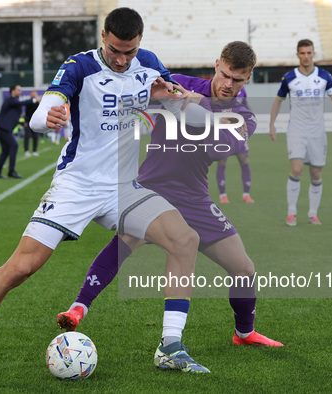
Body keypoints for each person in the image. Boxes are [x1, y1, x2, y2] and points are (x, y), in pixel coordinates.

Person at [0, 7, 218, 378]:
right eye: (115, 49)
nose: (122, 58)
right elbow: (41, 113)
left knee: (184, 239)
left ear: (140, 42)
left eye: (129, 51)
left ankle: (170, 346)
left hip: (123, 187)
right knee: (21, 267)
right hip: (76, 185)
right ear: (103, 36)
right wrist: (47, 116)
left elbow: (195, 120)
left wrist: (178, 101)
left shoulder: (149, 64)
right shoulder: (79, 66)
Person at [57, 41, 283, 354]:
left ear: (248, 79)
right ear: (217, 64)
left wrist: (193, 103)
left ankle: (245, 332)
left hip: (194, 198)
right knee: (124, 243)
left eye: (239, 80)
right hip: (152, 186)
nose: (230, 84)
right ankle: (78, 308)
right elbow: (140, 93)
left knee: (244, 269)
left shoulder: (244, 116)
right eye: (227, 75)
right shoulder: (178, 81)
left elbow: (219, 143)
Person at [269, 39, 332, 226]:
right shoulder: (289, 77)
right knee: (296, 169)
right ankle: (291, 212)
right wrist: (272, 124)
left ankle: (313, 214)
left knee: (315, 174)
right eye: (302, 53)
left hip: (317, 131)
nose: (306, 56)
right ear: (297, 54)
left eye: (309, 53)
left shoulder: (324, 76)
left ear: (314, 54)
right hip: (296, 130)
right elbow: (278, 101)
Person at [216, 87, 255, 203]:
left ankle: (246, 194)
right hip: (223, 132)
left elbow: (246, 107)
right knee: (222, 162)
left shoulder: (242, 90)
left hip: (239, 132)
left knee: (244, 160)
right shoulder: (218, 88)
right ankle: (223, 195)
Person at [0, 85, 29, 179]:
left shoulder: (13, 102)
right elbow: (21, 103)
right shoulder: (10, 99)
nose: (20, 92)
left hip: (2, 127)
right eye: (18, 90)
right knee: (14, 145)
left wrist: (20, 123)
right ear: (13, 91)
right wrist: (34, 100)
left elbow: (11, 116)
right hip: (3, 128)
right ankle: (11, 171)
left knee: (5, 150)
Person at [22, 91, 41, 156]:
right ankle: (26, 150)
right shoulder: (29, 101)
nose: (34, 95)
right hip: (28, 121)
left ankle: (34, 150)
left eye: (35, 94)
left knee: (35, 136)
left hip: (35, 121)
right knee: (27, 136)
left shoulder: (37, 103)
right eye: (33, 94)